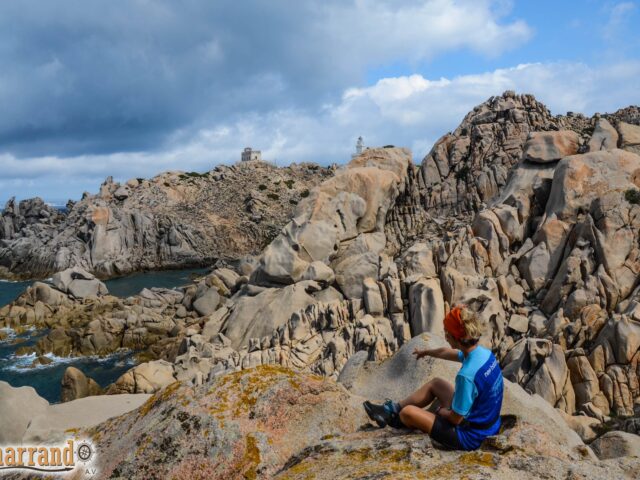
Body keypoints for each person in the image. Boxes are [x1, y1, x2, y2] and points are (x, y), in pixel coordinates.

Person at [363, 305, 503, 450]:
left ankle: (396, 418)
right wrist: (427, 352)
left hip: (470, 436)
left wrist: (442, 412)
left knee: (407, 413)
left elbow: (456, 419)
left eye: (447, 333)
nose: (445, 336)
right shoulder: (483, 354)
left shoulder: (466, 376)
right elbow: (446, 352)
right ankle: (391, 409)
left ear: (457, 338)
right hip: (488, 423)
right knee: (437, 383)